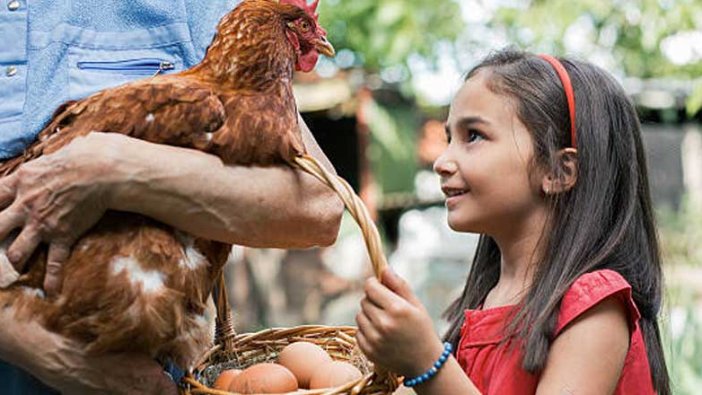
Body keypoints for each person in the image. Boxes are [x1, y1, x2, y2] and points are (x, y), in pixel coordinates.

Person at [0, 0, 343, 394]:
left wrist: (113, 168)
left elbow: (320, 206)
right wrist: (44, 350)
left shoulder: (198, 10)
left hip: (154, 358)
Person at [355, 48, 671, 394]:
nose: (442, 162)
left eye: (473, 135)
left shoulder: (594, 309)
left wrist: (427, 363)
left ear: (557, 170)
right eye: (449, 138)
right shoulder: (486, 301)